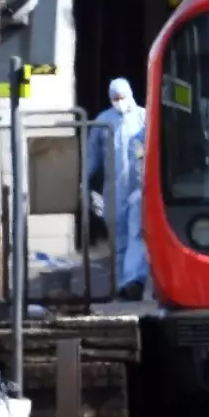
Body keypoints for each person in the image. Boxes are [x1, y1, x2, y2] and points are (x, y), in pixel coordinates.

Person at [86, 78, 147, 295]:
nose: (119, 102)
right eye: (115, 98)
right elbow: (92, 156)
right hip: (113, 190)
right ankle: (122, 284)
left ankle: (134, 280)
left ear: (130, 95)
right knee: (118, 238)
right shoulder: (103, 121)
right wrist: (83, 180)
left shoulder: (143, 117)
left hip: (138, 188)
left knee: (136, 234)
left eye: (122, 97)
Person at [119, 125, 149, 300]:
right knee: (136, 238)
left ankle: (135, 281)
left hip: (154, 192)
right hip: (143, 193)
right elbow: (138, 170)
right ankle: (133, 282)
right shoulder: (139, 138)